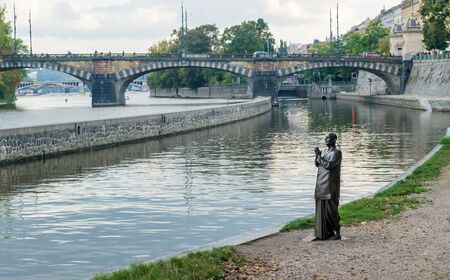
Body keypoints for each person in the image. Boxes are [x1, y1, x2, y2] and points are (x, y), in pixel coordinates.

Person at [314, 133, 342, 240]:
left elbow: (328, 165)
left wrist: (319, 156)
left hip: (330, 186)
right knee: (321, 210)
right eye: (325, 138)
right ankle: (323, 233)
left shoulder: (337, 153)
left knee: (331, 211)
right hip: (321, 184)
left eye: (328, 138)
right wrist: (318, 156)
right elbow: (317, 164)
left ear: (334, 139)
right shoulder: (325, 151)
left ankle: (337, 233)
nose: (326, 139)